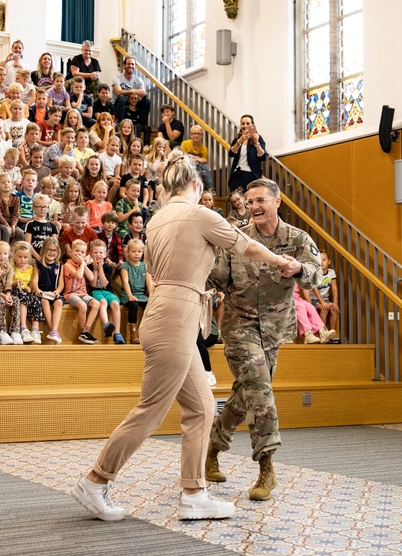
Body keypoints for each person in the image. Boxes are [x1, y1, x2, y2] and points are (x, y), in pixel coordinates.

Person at [71, 151, 300, 522]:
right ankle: (96, 481)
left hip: (168, 311)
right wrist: (282, 261)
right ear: (196, 185)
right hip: (176, 315)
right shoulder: (198, 214)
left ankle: (194, 493)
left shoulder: (158, 218)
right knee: (151, 409)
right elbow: (248, 245)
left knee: (201, 407)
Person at [206, 178, 323, 502]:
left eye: (261, 200)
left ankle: (212, 449)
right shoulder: (239, 239)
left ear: (277, 201)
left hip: (274, 330)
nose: (254, 206)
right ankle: (267, 468)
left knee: (248, 394)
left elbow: (317, 273)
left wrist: (299, 269)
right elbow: (217, 276)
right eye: (251, 201)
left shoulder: (297, 239)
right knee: (260, 388)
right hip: (239, 325)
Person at [228, 114, 267, 193]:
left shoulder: (258, 138)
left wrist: (257, 143)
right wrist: (240, 141)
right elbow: (231, 153)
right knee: (236, 200)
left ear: (252, 125)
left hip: (251, 175)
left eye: (248, 123)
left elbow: (262, 157)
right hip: (237, 175)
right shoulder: (237, 140)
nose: (245, 126)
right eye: (243, 123)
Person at [112, 56, 150, 124]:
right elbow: (118, 92)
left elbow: (143, 93)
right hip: (119, 103)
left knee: (147, 100)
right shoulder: (117, 78)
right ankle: (120, 124)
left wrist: (142, 93)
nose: (130, 66)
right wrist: (133, 91)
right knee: (122, 98)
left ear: (135, 66)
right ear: (124, 65)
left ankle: (142, 126)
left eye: (132, 64)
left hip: (133, 102)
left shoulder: (138, 80)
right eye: (128, 64)